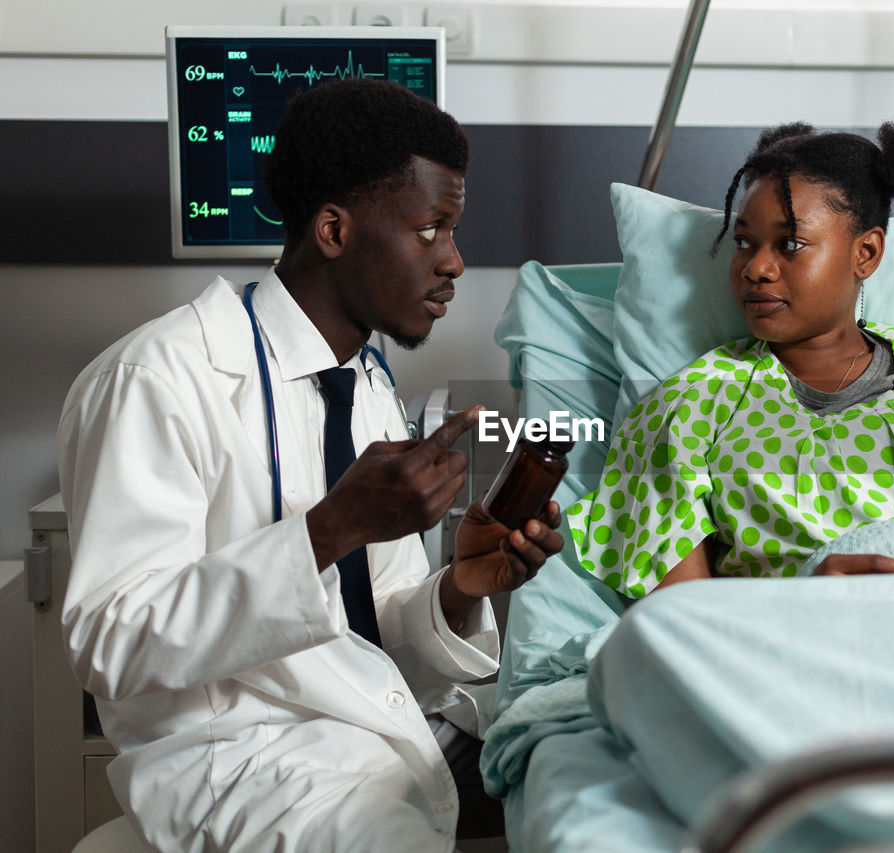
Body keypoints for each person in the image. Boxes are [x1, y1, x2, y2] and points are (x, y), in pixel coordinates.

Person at [57, 78, 562, 851]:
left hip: (372, 727)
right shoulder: (157, 378)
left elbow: (372, 626)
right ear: (334, 229)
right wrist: (329, 529)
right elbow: (113, 642)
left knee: (582, 763)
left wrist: (459, 589)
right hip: (239, 760)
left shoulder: (363, 384)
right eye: (432, 228)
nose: (455, 260)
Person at [567, 121, 894, 599]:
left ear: (865, 254)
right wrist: (800, 605)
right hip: (796, 655)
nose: (756, 268)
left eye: (790, 245)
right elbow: (680, 618)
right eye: (744, 243)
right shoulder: (691, 404)